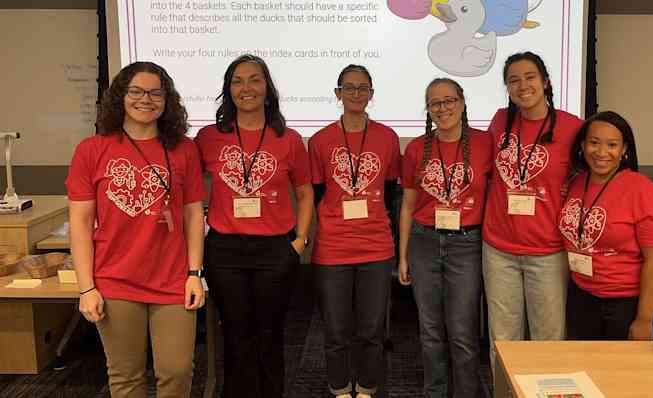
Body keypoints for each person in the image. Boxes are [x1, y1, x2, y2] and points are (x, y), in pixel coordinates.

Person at [67, 61, 205, 397]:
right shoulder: (92, 150)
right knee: (126, 377)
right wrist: (86, 288)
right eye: (137, 92)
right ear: (120, 97)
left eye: (156, 92)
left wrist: (194, 273)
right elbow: (81, 223)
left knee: (176, 372)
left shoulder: (183, 149)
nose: (147, 99)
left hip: (172, 279)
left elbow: (192, 216)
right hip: (115, 280)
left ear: (167, 99)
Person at [194, 54, 313, 397]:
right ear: (228, 90)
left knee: (270, 334)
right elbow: (187, 185)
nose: (246, 88)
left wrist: (300, 240)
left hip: (276, 251)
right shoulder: (209, 137)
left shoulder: (288, 139)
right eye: (237, 81)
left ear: (267, 87)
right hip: (225, 251)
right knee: (235, 333)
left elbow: (304, 194)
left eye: (255, 79)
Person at [482, 52, 582, 360]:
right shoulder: (500, 121)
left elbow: (603, 174)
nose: (522, 85)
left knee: (548, 340)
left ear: (546, 82)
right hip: (499, 249)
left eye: (530, 77)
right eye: (513, 80)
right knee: (503, 340)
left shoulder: (571, 127)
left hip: (548, 251)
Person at [308, 64, 400, 398]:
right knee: (335, 329)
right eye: (349, 88)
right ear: (338, 94)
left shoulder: (388, 138)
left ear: (372, 94)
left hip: (376, 246)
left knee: (372, 329)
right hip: (333, 247)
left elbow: (391, 192)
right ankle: (338, 386)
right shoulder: (319, 141)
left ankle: (367, 386)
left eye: (363, 89)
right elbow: (320, 194)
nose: (356, 94)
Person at [398, 78, 492, 398]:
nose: (443, 108)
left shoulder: (484, 143)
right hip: (424, 242)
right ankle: (434, 392)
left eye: (449, 100)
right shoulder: (415, 149)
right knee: (430, 332)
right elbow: (408, 204)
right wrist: (403, 254)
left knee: (463, 332)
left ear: (463, 102)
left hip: (466, 244)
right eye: (436, 103)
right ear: (428, 110)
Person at [560, 111, 653, 340]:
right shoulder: (576, 182)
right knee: (587, 369)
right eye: (594, 143)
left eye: (612, 145)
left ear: (624, 149)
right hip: (583, 295)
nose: (601, 153)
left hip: (628, 302)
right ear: (582, 145)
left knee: (627, 374)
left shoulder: (643, 190)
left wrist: (644, 319)